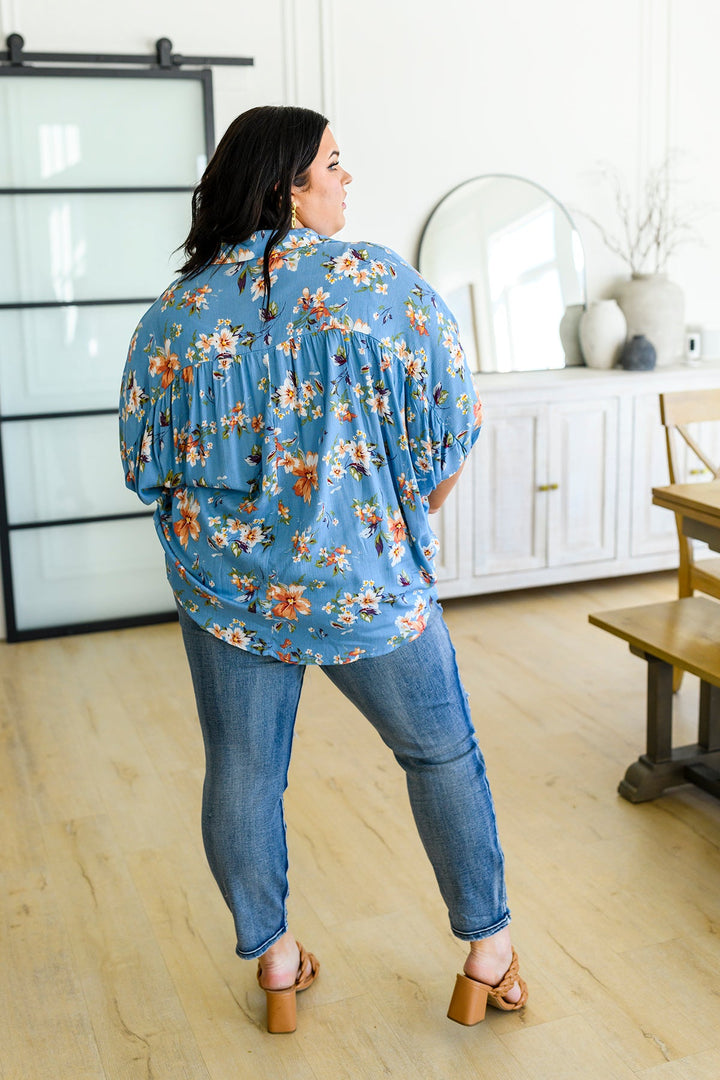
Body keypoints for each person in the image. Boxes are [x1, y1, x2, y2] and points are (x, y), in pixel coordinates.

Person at [119, 104, 527, 1033]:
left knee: (243, 772)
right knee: (439, 753)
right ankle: (488, 954)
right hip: (367, 580)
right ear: (286, 188)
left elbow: (145, 465)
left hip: (226, 593)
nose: (347, 179)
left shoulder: (175, 314)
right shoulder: (376, 283)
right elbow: (454, 421)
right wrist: (391, 514)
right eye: (333, 164)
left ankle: (275, 963)